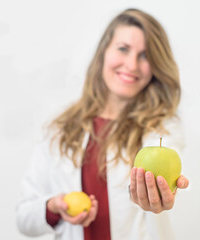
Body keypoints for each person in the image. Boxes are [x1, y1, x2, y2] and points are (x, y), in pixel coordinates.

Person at [16, 8, 189, 240]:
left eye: (145, 55)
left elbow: (153, 177)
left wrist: (150, 196)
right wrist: (52, 207)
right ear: (103, 53)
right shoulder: (58, 129)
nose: (132, 65)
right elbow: (24, 217)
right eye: (123, 49)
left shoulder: (160, 128)